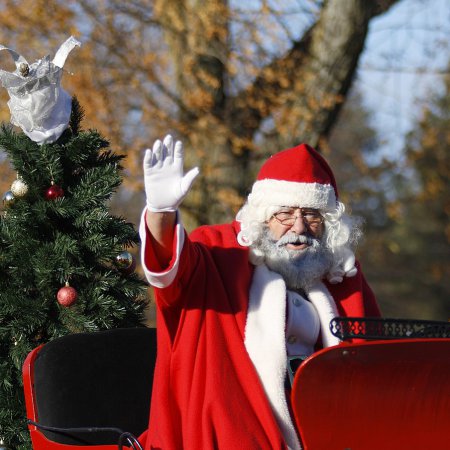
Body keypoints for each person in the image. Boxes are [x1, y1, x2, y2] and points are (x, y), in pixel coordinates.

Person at [138, 135, 381, 450]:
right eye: (285, 214)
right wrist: (161, 212)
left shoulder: (342, 278)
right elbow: (170, 271)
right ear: (263, 218)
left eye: (311, 215)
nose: (299, 227)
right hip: (238, 435)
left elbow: (379, 362)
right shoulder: (219, 255)